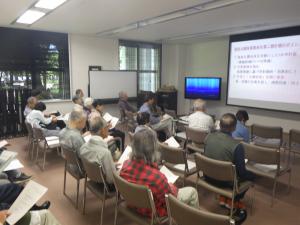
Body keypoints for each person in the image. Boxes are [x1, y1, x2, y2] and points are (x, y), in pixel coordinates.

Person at [120, 128, 199, 218]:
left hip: (134, 204)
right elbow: (170, 200)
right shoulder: (157, 178)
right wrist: (171, 186)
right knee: (192, 192)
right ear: (153, 149)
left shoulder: (125, 165)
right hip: (153, 212)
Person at [204, 113, 255, 222]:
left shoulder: (208, 137)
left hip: (207, 177)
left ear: (220, 125)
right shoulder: (237, 146)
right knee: (250, 176)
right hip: (226, 182)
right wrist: (252, 176)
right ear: (234, 128)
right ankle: (234, 200)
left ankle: (224, 198)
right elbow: (241, 173)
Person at [80, 116, 116, 189]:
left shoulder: (83, 148)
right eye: (107, 127)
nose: (108, 129)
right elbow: (111, 180)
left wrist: (111, 164)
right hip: (106, 186)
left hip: (93, 180)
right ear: (102, 130)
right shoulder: (105, 153)